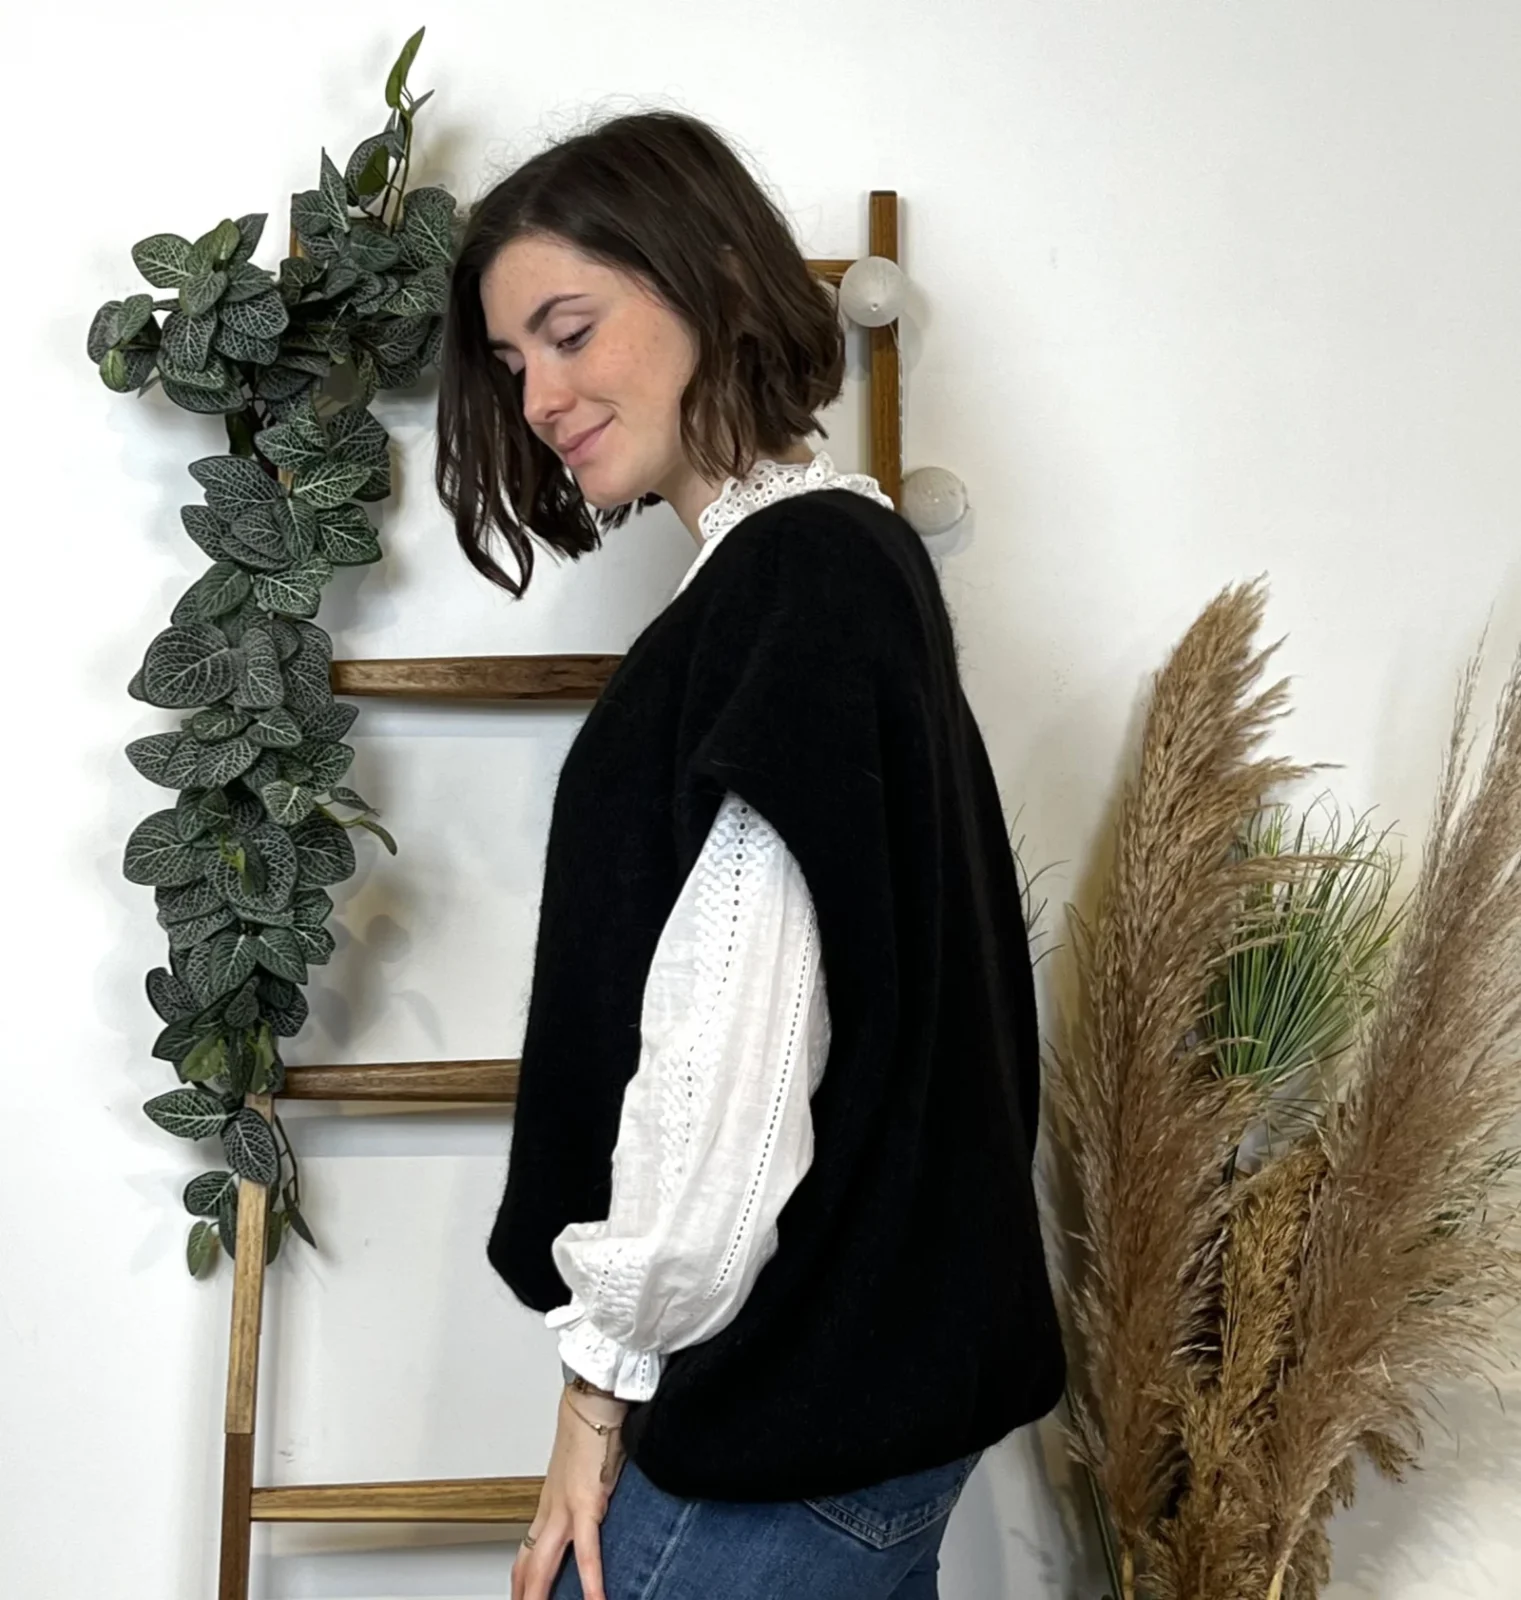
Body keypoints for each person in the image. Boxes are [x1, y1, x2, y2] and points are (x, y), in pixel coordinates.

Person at [434, 108, 1065, 1600]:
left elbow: (731, 1060)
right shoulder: (836, 565)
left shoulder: (798, 586)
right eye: (514, 363)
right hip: (872, 1419)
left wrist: (595, 1393)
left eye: (569, 332)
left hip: (783, 1429)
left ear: (714, 277)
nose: (540, 395)